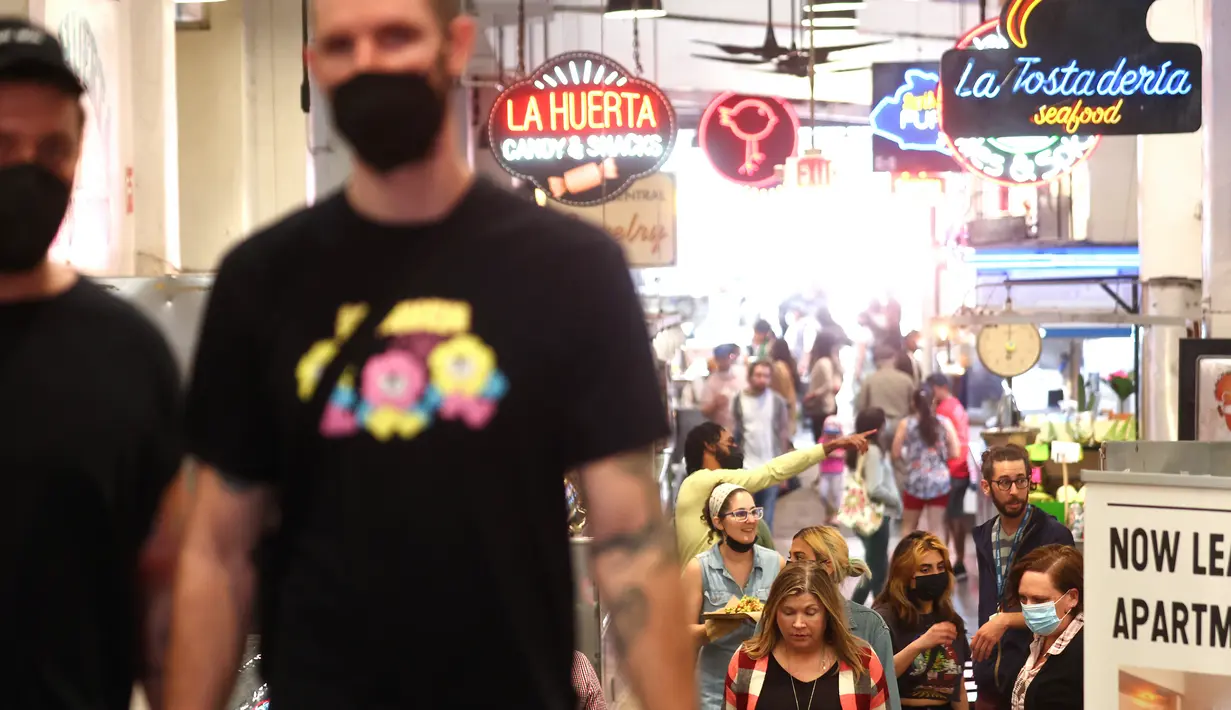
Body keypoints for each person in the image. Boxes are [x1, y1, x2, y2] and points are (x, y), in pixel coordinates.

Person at [165, 2, 695, 709]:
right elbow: (216, 551)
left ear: (455, 47)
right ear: (314, 66)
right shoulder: (263, 280)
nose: (370, 63)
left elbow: (630, 538)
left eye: (395, 37)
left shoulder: (569, 270)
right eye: (343, 45)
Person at [0, 18, 184, 710]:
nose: (26, 169)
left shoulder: (126, 355)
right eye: (2, 145)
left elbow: (163, 592)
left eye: (52, 149)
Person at [969, 446, 1075, 710]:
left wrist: (1006, 620)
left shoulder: (1054, 536)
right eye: (1004, 482)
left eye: (1021, 481)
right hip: (989, 678)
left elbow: (1068, 612)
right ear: (986, 486)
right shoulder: (984, 537)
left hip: (1037, 680)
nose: (1014, 491)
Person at [676, 423, 872, 563]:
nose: (736, 448)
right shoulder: (700, 481)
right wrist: (831, 446)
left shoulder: (704, 488)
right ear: (709, 446)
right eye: (730, 443)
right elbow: (770, 472)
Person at [724, 561, 892, 710]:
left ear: (827, 613)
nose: (798, 624)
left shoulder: (862, 660)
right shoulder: (746, 660)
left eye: (810, 613)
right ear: (775, 613)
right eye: (788, 612)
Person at [684, 484, 786, 710]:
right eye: (740, 514)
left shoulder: (775, 563)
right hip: (714, 690)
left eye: (754, 512)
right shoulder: (699, 569)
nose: (750, 520)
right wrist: (713, 628)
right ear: (718, 521)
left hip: (767, 685)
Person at [788, 528, 902, 710]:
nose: (790, 565)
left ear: (827, 565)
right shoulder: (773, 620)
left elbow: (888, 701)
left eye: (799, 558)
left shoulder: (870, 626)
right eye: (790, 557)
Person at [873, 532, 970, 710]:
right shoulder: (884, 618)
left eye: (941, 567)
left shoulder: (950, 619)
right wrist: (921, 644)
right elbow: (876, 677)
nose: (936, 574)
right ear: (905, 575)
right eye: (925, 570)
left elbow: (959, 688)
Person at [1006, 545, 1083, 710]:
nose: (1029, 608)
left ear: (1072, 598)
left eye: (1039, 600)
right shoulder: (1038, 637)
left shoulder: (1086, 653)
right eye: (1023, 598)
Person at [847, 408, 901, 605]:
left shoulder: (861, 448)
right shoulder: (873, 450)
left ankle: (880, 609)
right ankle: (855, 609)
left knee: (877, 567)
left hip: (865, 514)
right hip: (876, 515)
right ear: (878, 428)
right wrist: (896, 501)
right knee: (875, 570)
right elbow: (874, 488)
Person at [734, 359, 793, 531]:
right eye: (758, 375)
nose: (762, 380)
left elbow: (783, 434)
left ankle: (765, 554)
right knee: (747, 518)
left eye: (766, 376)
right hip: (747, 468)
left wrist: (784, 471)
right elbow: (736, 433)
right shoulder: (740, 399)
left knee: (767, 521)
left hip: (771, 467)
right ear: (750, 376)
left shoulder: (777, 402)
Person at [892, 388, 960, 535]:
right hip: (939, 481)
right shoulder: (944, 423)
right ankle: (940, 558)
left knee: (908, 527)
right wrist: (937, 460)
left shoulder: (906, 424)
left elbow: (895, 453)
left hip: (914, 480)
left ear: (913, 403)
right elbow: (955, 452)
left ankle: (906, 557)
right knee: (936, 528)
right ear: (933, 401)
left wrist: (911, 459)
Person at [927, 373, 973, 579]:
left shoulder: (942, 410)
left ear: (938, 387)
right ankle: (957, 561)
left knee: (947, 519)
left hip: (949, 469)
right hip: (961, 468)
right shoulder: (957, 405)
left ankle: (950, 564)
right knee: (956, 516)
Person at [856, 345, 916, 451]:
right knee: (898, 459)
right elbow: (914, 406)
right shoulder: (906, 380)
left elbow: (862, 406)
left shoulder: (869, 380)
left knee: (879, 458)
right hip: (900, 425)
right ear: (894, 359)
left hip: (877, 427)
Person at [803, 330, 844, 436]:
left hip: (822, 407)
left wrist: (813, 394)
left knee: (820, 441)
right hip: (829, 405)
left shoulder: (823, 362)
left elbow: (828, 385)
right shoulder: (831, 361)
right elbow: (837, 382)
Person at [700, 343, 745, 431]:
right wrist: (715, 404)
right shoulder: (711, 382)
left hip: (742, 429)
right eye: (722, 358)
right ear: (716, 359)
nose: (725, 360)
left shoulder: (741, 374)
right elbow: (704, 411)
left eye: (727, 357)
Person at [769, 338, 800, 438]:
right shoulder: (790, 363)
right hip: (791, 403)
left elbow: (779, 389)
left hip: (782, 406)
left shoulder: (778, 368)